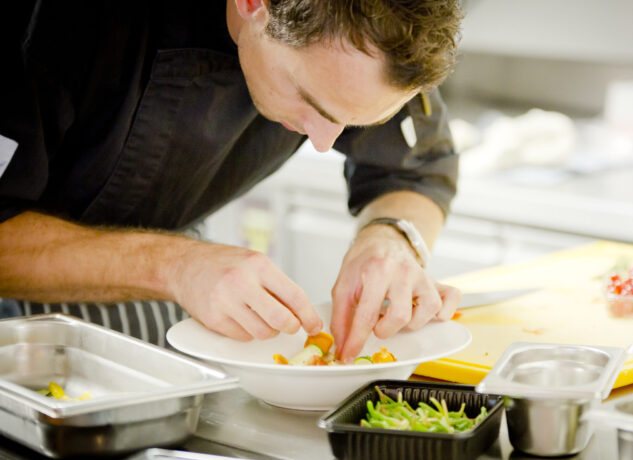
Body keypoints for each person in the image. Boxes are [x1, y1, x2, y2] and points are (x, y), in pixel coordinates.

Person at [0, 0, 463, 363]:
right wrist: (175, 265)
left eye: (354, 123)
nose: (326, 143)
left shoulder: (370, 41)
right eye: (313, 105)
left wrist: (391, 239)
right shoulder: (57, 23)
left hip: (156, 318)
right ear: (250, 3)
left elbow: (416, 168)